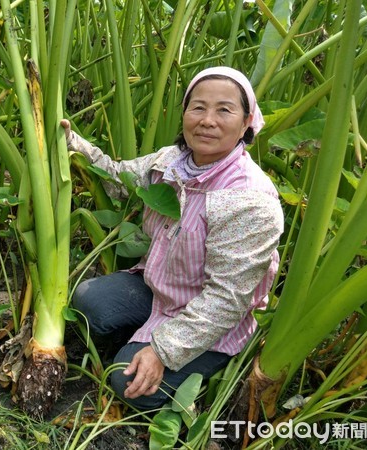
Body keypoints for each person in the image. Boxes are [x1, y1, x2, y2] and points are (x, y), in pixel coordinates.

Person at [60, 66, 284, 411]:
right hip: (161, 291)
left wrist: (164, 351)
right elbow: (117, 178)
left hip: (213, 320)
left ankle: (196, 366)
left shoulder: (249, 199)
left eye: (224, 110)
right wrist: (71, 144)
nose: (207, 120)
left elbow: (226, 300)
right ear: (184, 114)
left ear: (246, 122)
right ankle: (140, 340)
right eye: (198, 107)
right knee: (88, 302)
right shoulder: (170, 161)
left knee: (126, 381)